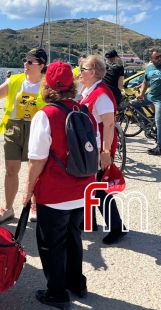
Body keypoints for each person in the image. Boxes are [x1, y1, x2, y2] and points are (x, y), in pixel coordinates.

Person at [22, 60, 95, 309]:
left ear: (47, 85)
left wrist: (28, 190)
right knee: (74, 236)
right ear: (72, 85)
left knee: (51, 243)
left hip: (55, 192)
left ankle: (57, 292)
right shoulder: (83, 111)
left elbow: (37, 159)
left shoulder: (46, 115)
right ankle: (77, 283)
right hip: (82, 188)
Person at [0, 48, 47, 223]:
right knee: (11, 170)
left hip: (37, 129)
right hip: (14, 128)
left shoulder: (46, 84)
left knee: (36, 170)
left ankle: (34, 206)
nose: (25, 64)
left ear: (41, 66)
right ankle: (8, 208)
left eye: (30, 62)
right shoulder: (15, 80)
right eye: (25, 60)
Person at [79, 55, 127, 245]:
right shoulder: (89, 90)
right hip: (91, 147)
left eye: (82, 69)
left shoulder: (101, 95)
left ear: (92, 72)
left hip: (99, 148)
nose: (79, 73)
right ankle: (89, 221)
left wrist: (105, 152)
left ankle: (117, 227)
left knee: (98, 188)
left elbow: (109, 125)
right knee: (89, 185)